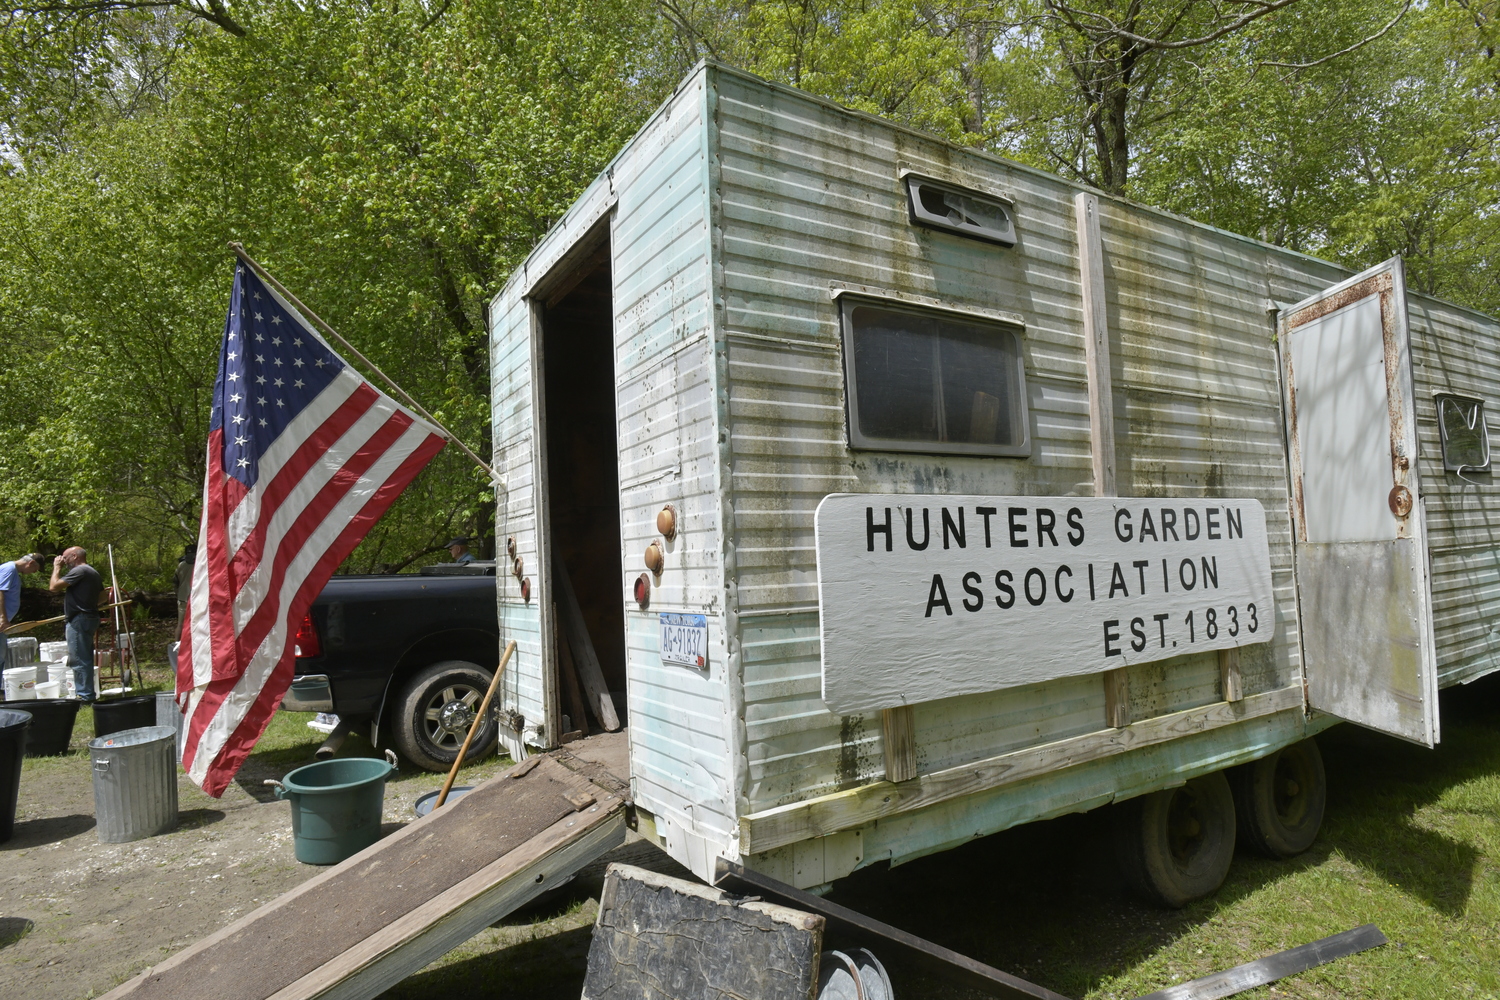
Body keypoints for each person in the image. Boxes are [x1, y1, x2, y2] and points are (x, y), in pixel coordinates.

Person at [49, 547, 102, 703]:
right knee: (84, 657)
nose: (63, 561)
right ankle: (87, 693)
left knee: (79, 659)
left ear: (74, 556)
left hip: (79, 619)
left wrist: (56, 568)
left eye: (65, 558)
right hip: (90, 617)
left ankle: (85, 697)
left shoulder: (80, 571)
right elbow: (103, 597)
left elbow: (53, 586)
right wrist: (87, 603)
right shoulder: (93, 572)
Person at [0, 553, 45, 672]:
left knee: (1, 656)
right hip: (1, 621)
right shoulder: (9, 569)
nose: (34, 572)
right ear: (31, 563)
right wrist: (2, 618)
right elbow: (0, 592)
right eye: (35, 569)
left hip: (5, 622)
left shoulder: (13, 571)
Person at [174, 543, 195, 636]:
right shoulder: (200, 564)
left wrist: (177, 594)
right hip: (196, 598)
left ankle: (176, 646)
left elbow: (175, 582)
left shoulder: (181, 565)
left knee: (180, 624)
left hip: (182, 598)